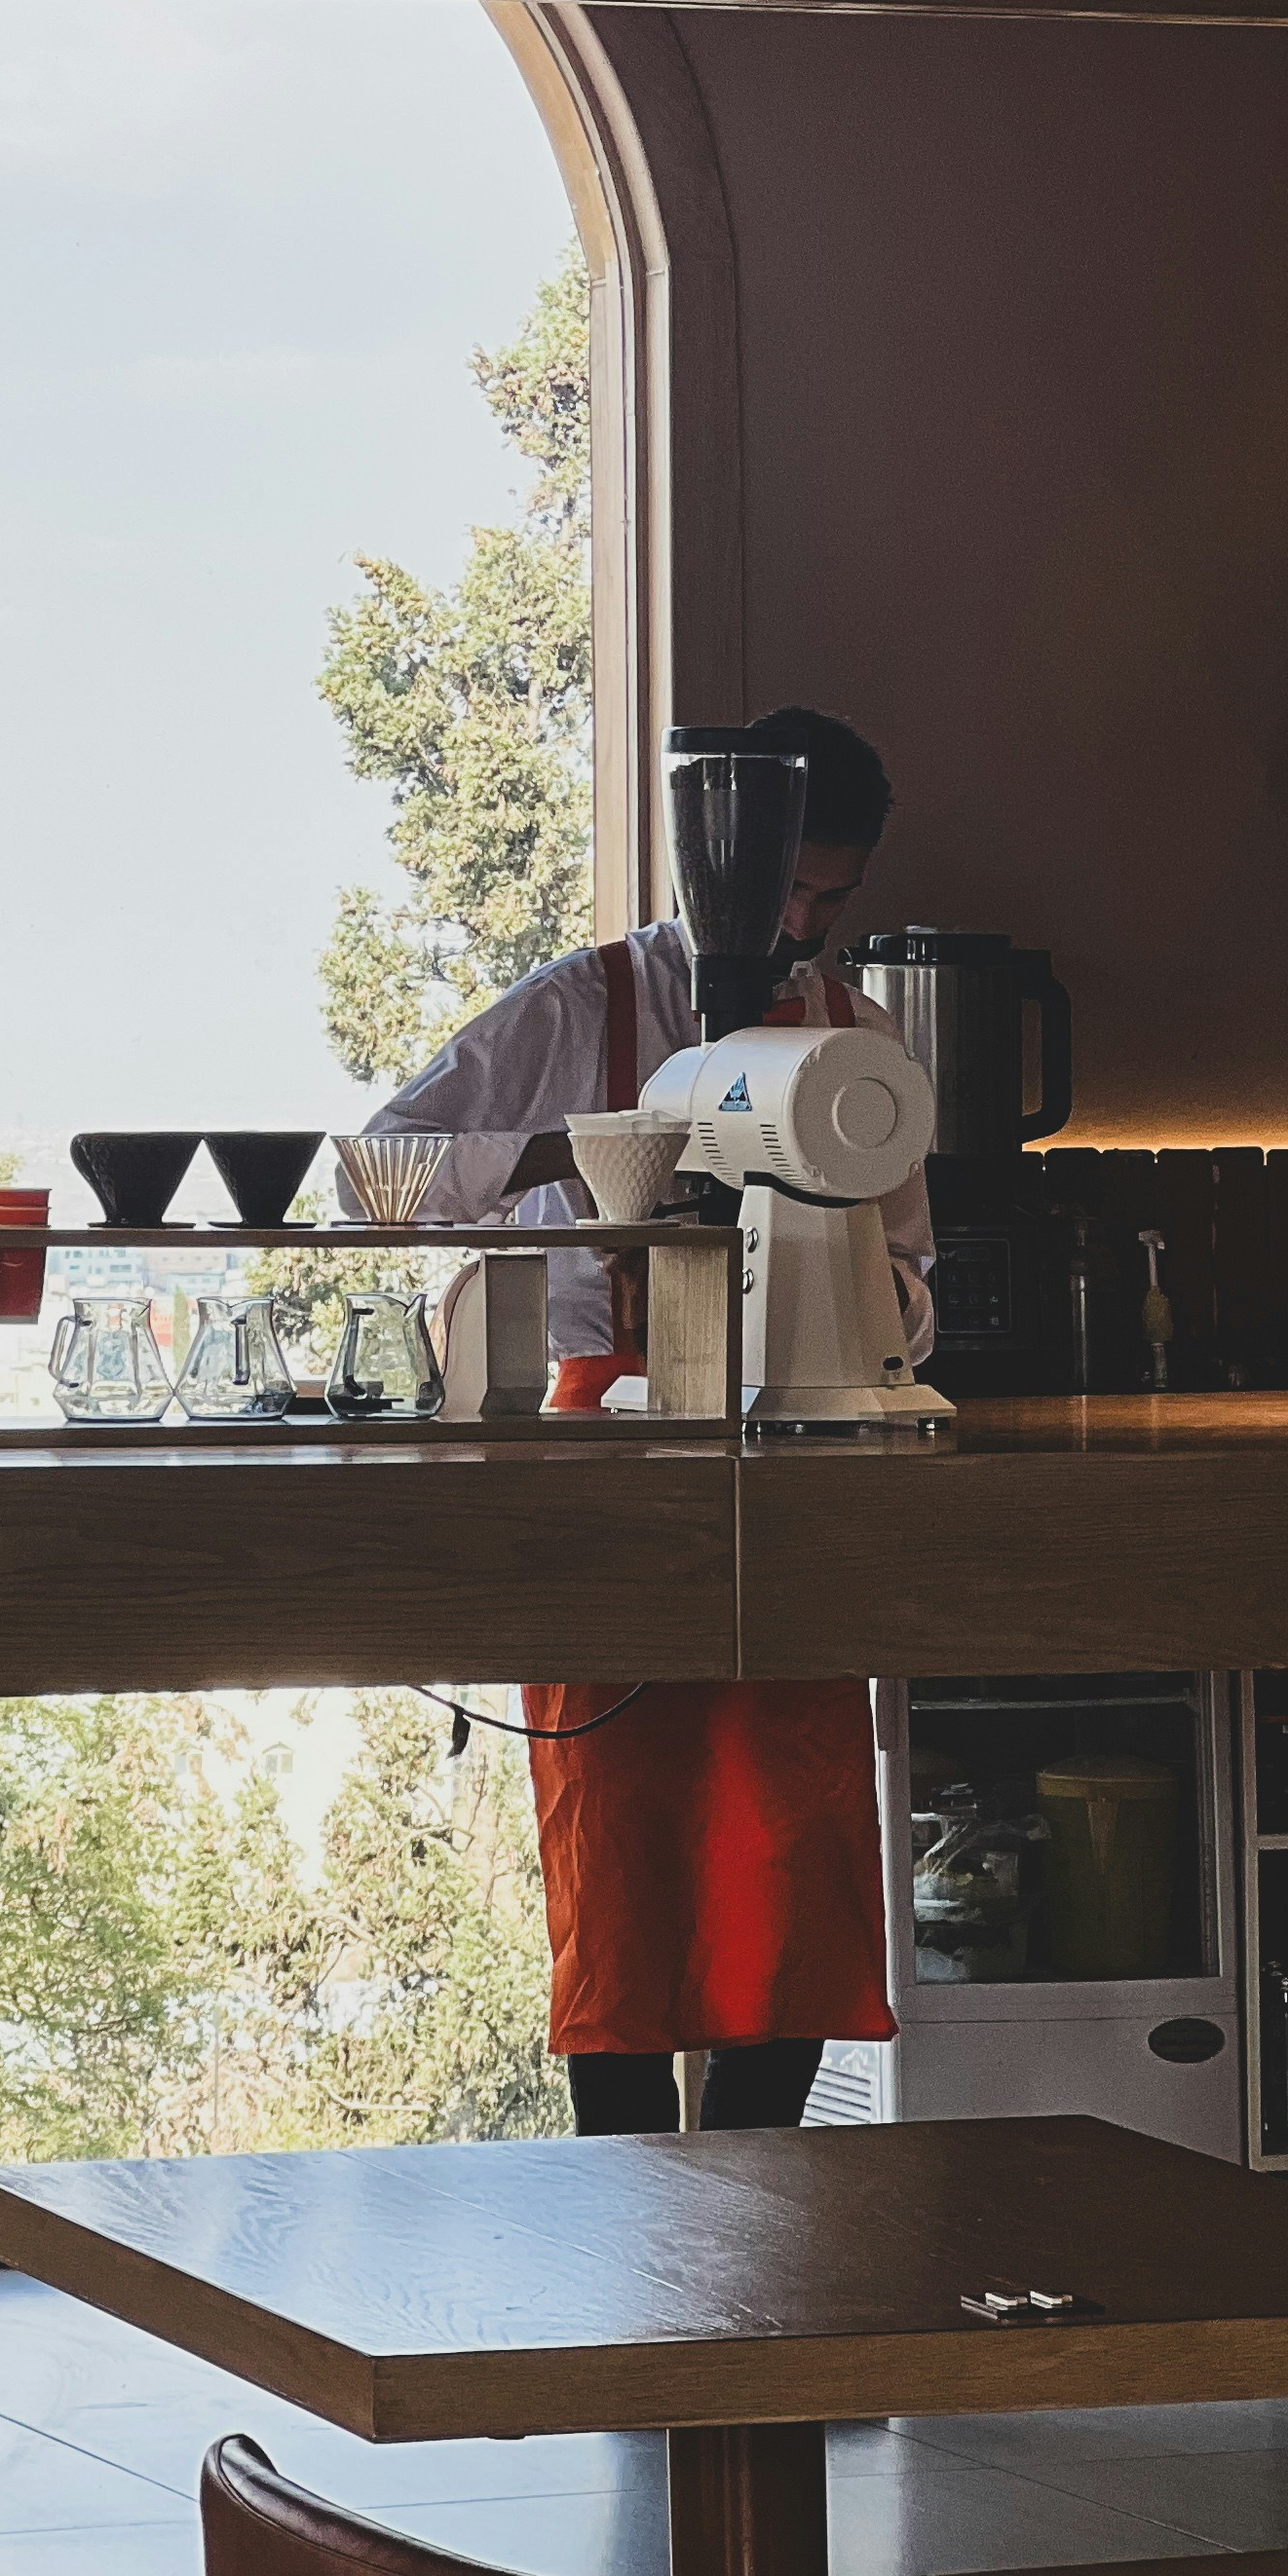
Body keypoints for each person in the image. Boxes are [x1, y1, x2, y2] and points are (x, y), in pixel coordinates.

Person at [354, 705, 930, 2138]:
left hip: (787, 1460)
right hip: (596, 1456)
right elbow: (376, 1170)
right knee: (619, 1853)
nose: (800, 923)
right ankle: (616, 2198)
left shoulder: (851, 1041)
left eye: (829, 899)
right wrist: (589, 1154)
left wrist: (861, 1293)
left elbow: (917, 1280)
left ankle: (760, 2179)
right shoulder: (580, 1007)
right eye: (786, 890)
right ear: (711, 862)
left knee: (788, 1854)